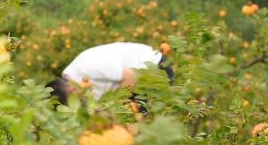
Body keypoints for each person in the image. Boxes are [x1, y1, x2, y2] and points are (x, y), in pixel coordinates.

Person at [47, 42, 175, 104]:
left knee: (136, 119)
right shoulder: (73, 79)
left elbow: (131, 77)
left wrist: (117, 105)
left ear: (72, 91)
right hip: (135, 84)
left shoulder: (88, 65)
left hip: (155, 69)